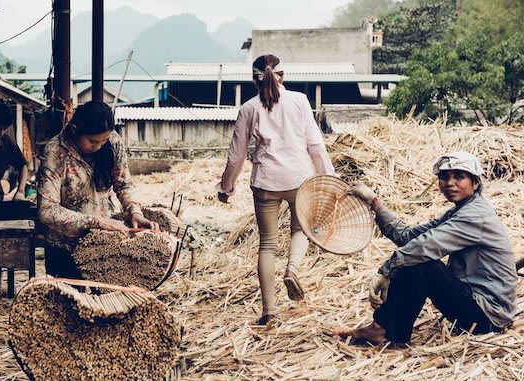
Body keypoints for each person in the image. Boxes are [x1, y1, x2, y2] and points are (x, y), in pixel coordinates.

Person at [343, 151, 518, 345]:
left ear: (475, 182)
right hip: (474, 303)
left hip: (488, 316)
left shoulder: (476, 216)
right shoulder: (459, 211)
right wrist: (374, 203)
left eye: (459, 177)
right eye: (444, 177)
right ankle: (385, 330)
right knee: (416, 259)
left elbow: (426, 245)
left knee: (422, 265)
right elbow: (409, 237)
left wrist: (386, 270)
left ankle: (383, 331)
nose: (450, 183)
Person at [216, 54, 336, 325]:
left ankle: (269, 311)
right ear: (283, 75)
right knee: (301, 229)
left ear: (253, 79)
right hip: (299, 179)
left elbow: (235, 156)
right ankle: (292, 269)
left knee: (267, 245)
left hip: (266, 182)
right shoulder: (300, 101)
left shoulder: (248, 108)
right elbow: (316, 145)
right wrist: (329, 179)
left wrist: (226, 187)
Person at [37, 101, 158, 279]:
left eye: (103, 141)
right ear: (75, 129)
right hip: (64, 246)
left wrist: (135, 211)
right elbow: (47, 211)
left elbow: (123, 183)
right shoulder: (55, 153)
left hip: (102, 244)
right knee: (69, 301)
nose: (99, 146)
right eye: (93, 141)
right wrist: (97, 222)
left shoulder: (113, 141)